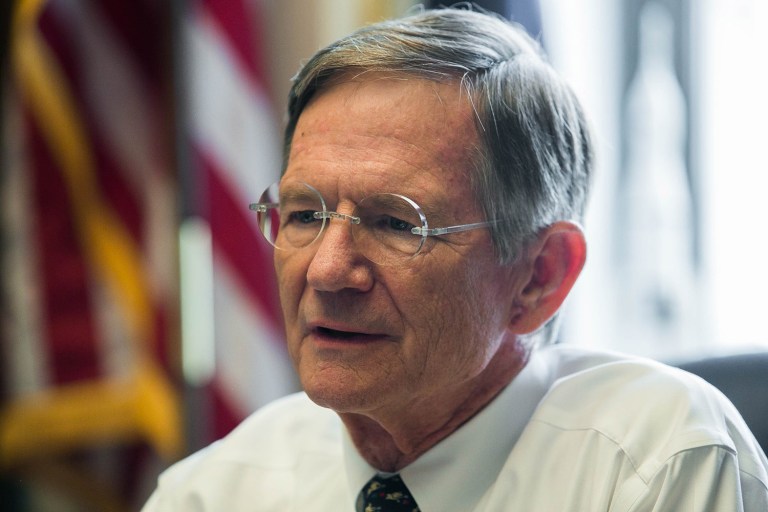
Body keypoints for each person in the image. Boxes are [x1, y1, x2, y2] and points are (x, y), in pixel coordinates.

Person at [142, 7, 768, 511]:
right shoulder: (212, 493)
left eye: (396, 223)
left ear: (540, 275)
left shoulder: (656, 464)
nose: (327, 271)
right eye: (305, 215)